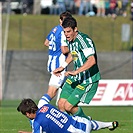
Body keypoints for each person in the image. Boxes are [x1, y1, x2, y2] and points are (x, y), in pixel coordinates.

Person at [53, 17, 101, 120]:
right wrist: (62, 67)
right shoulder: (70, 39)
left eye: (68, 31)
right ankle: (69, 129)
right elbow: (74, 54)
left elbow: (92, 60)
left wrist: (76, 71)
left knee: (68, 107)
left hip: (87, 79)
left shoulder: (83, 40)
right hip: (76, 77)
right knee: (61, 104)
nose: (66, 34)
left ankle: (87, 122)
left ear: (75, 29)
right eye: (65, 32)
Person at [17, 93, 119, 133]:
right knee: (90, 124)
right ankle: (109, 124)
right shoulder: (46, 106)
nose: (26, 116)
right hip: (83, 123)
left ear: (28, 112)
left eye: (25, 114)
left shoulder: (37, 122)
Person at [44, 11, 72, 100]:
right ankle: (39, 110)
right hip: (58, 64)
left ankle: (67, 111)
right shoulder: (63, 32)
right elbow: (64, 51)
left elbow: (46, 43)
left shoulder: (55, 29)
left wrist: (55, 47)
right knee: (51, 93)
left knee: (68, 92)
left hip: (51, 61)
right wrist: (72, 49)